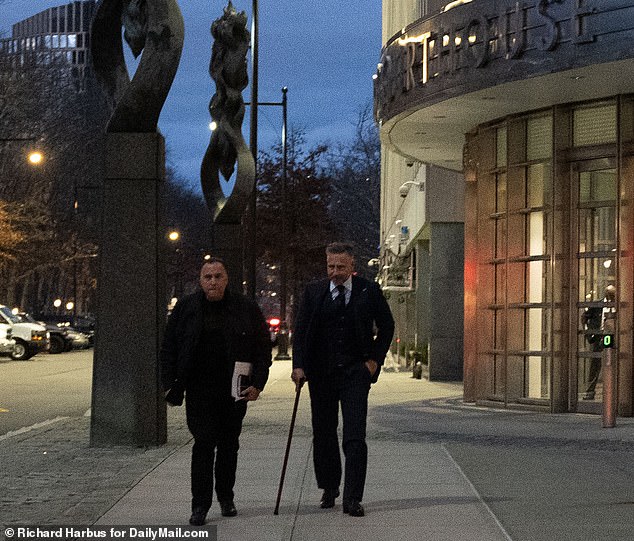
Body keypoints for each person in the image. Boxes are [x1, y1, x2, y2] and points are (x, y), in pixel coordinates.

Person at [160, 258, 272, 526]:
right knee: (203, 444)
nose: (213, 281)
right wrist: (169, 384)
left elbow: (262, 348)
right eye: (208, 277)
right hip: (199, 389)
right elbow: (169, 348)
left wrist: (258, 383)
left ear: (226, 279)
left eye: (218, 276)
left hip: (234, 388)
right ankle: (200, 504)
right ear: (200, 280)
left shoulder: (245, 307)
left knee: (229, 445)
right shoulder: (186, 308)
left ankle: (226, 497)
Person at [291, 242, 394, 517]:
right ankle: (329, 487)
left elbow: (387, 326)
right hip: (322, 374)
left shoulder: (368, 291)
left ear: (352, 267)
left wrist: (374, 360)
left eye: (340, 267)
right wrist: (298, 365)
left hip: (354, 374)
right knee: (323, 433)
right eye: (330, 266)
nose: (334, 272)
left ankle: (353, 497)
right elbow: (300, 331)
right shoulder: (314, 293)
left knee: (354, 436)